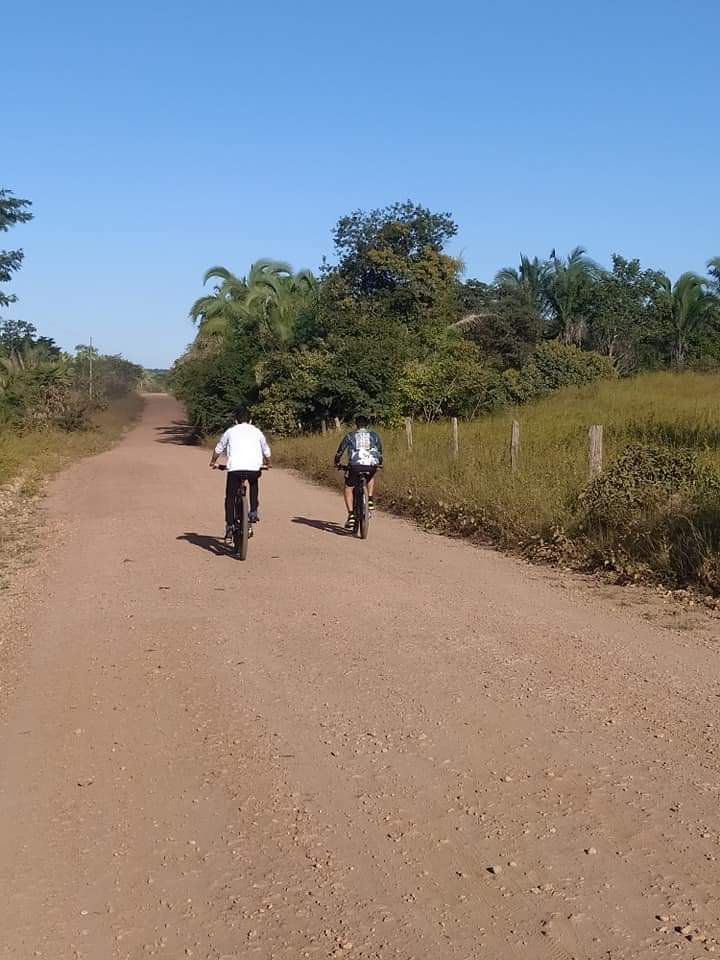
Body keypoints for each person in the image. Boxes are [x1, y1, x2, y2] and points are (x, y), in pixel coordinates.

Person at [210, 408, 271, 539]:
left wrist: (213, 461)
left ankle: (229, 525)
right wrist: (268, 463)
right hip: (254, 469)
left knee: (230, 496)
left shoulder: (230, 431)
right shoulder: (257, 432)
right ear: (250, 420)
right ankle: (253, 511)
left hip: (235, 469)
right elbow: (266, 450)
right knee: (254, 483)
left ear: (235, 420)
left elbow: (219, 448)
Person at [334, 415, 383, 529]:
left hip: (355, 466)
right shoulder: (374, 435)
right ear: (367, 425)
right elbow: (380, 453)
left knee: (349, 487)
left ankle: (351, 515)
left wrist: (337, 463)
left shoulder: (350, 436)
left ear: (356, 425)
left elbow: (340, 452)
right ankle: (370, 499)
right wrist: (379, 463)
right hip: (371, 466)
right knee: (370, 477)